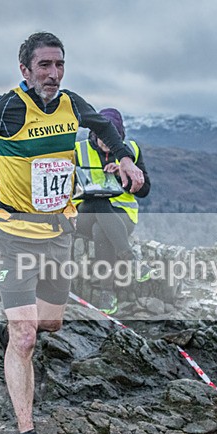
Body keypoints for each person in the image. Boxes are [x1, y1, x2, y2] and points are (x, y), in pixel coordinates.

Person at [0, 32, 145, 434]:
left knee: (50, 324)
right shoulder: (5, 108)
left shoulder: (73, 103)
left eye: (59, 65)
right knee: (26, 336)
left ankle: (14, 329)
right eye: (44, 66)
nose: (53, 74)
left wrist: (127, 160)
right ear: (25, 70)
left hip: (59, 234)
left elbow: (106, 129)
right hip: (14, 236)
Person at [74, 107, 151, 314]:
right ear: (94, 134)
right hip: (85, 213)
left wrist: (121, 176)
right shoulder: (79, 150)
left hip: (122, 215)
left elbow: (144, 190)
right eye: (102, 138)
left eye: (111, 139)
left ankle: (106, 293)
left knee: (102, 230)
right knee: (99, 203)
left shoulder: (131, 151)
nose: (106, 144)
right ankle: (129, 257)